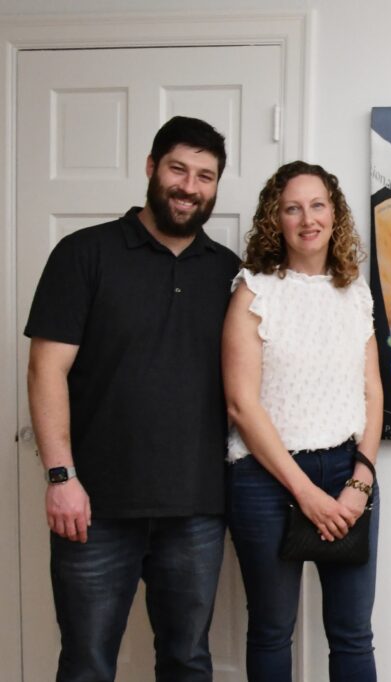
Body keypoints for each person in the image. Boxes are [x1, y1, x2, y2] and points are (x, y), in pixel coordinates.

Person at [25, 116, 239, 681]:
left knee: (187, 662)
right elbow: (45, 370)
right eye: (178, 169)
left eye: (205, 176)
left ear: (217, 187)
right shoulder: (83, 254)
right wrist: (60, 477)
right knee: (87, 664)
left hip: (195, 508)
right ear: (151, 167)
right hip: (93, 509)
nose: (189, 186)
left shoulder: (231, 274)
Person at [223, 160, 383, 681]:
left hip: (347, 472)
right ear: (277, 220)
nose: (307, 219)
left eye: (318, 205)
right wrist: (305, 493)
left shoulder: (354, 291)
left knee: (353, 634)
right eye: (293, 208)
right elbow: (242, 405)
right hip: (265, 481)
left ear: (334, 215)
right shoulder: (253, 291)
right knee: (272, 630)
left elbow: (372, 392)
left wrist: (360, 480)